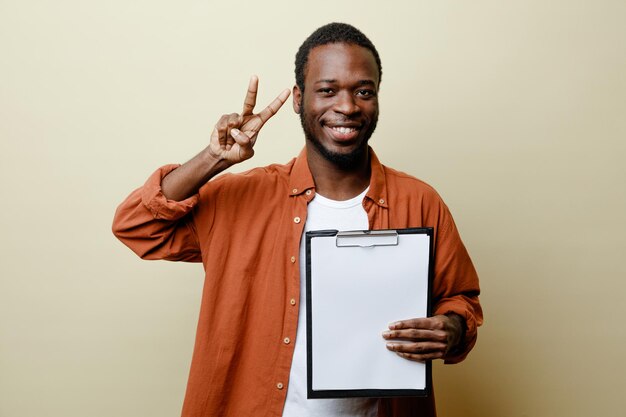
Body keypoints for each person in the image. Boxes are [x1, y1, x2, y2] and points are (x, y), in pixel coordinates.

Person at [113, 22, 482, 417]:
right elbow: (137, 225)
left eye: (363, 91)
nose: (347, 106)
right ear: (298, 99)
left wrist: (453, 329)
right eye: (327, 90)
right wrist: (213, 159)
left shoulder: (419, 201)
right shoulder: (244, 198)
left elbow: (461, 302)